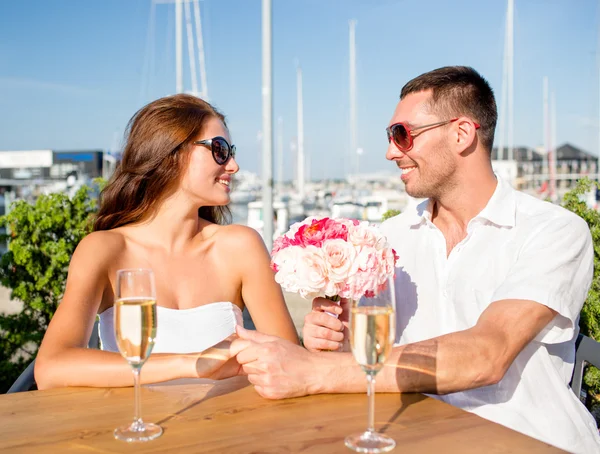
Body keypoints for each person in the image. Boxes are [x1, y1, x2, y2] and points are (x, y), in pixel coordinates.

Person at [231, 66, 600, 452]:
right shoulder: (387, 240)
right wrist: (331, 339)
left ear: (461, 134)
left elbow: (486, 354)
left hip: (531, 441)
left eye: (402, 135)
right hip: (415, 438)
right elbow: (369, 362)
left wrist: (314, 372)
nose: (391, 152)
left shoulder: (553, 231)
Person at [35, 94, 298, 389]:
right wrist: (192, 363)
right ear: (171, 153)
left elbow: (291, 364)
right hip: (138, 430)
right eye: (220, 150)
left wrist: (321, 342)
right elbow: (51, 368)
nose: (234, 165)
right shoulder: (104, 250)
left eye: (230, 151)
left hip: (230, 430)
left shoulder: (240, 246)